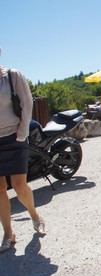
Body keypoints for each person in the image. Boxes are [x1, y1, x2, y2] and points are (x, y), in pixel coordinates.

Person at [0, 50, 45, 253]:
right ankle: (8, 234)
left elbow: (27, 103)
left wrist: (22, 131)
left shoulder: (11, 76)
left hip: (14, 137)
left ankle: (34, 215)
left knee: (19, 186)